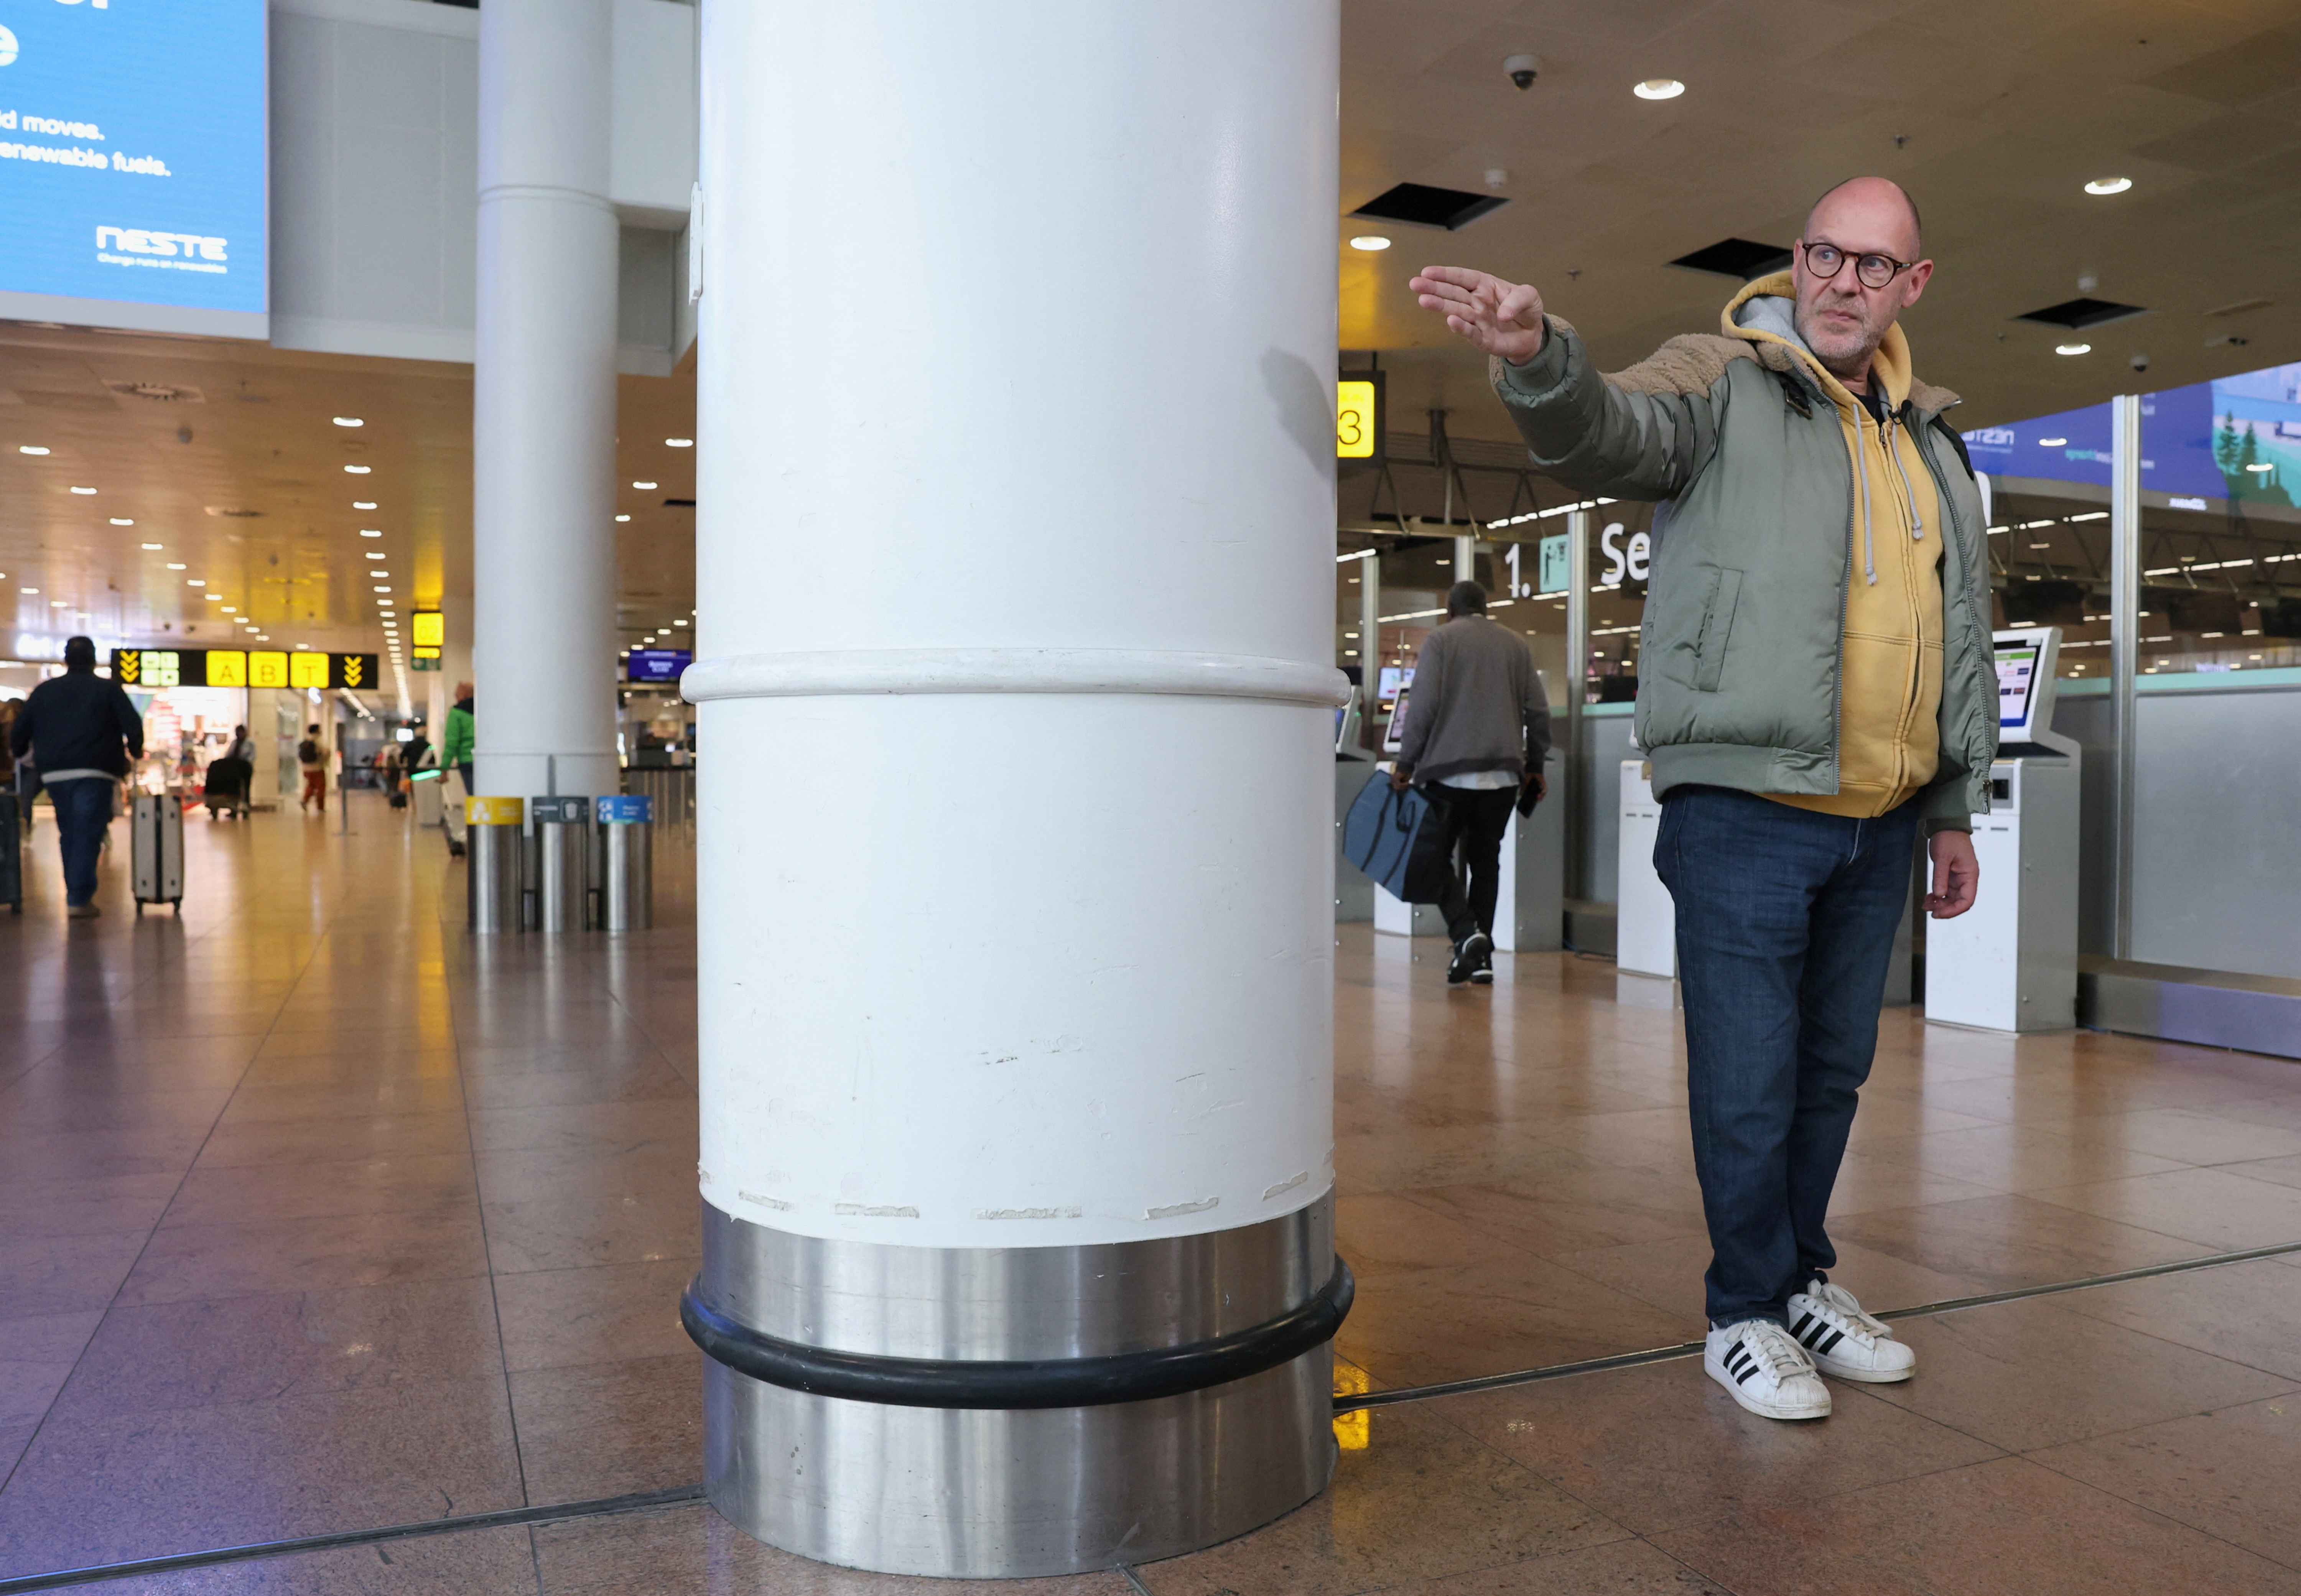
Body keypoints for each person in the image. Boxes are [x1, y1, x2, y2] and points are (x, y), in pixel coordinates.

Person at [1411, 176, 1991, 1423]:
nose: (1845, 282)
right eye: (1826, 255)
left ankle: (1796, 1283)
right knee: (1750, 1067)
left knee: (1833, 1068)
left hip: (1880, 812)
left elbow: (1959, 635)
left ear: (1914, 285)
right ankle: (1743, 1308)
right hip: (1744, 799)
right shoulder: (1725, 378)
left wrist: (1952, 805)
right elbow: (1612, 434)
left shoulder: (1928, 442)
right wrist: (1539, 360)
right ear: (1797, 258)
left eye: (1875, 265)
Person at [1387, 579, 1550, 986]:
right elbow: (1538, 710)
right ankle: (1479, 957)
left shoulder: (1441, 640)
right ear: (1485, 608)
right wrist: (1535, 764)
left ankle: (1466, 934)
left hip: (1447, 773)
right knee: (1485, 863)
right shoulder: (1516, 645)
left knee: (1432, 856)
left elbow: (1422, 705)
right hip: (1502, 775)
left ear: (1449, 611)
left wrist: (1406, 761)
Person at [8, 635, 144, 918]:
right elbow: (133, 724)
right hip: (96, 769)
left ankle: (76, 891)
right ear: (94, 660)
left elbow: (20, 729)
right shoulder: (109, 690)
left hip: (55, 772)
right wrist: (135, 750)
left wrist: (21, 752)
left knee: (69, 831)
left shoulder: (45, 691)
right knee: (87, 831)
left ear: (66, 660)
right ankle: (79, 897)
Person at [441, 683, 475, 857]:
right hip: (489, 763)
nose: (455, 695)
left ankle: (476, 840)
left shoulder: (457, 713)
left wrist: (444, 768)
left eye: (457, 693)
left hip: (468, 762)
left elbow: (452, 742)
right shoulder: (486, 709)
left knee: (475, 801)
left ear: (464, 695)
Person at [297, 724, 328, 813]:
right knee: (321, 787)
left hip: (306, 768)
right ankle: (320, 807)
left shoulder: (306, 740)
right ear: (317, 731)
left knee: (311, 785)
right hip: (317, 768)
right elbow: (325, 752)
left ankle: (305, 800)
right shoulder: (317, 740)